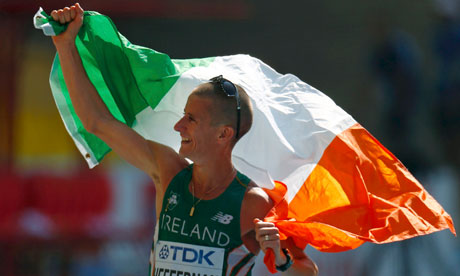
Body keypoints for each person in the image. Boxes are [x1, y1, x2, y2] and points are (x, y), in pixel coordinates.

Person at [50, 3, 318, 275]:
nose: (179, 126)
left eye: (191, 119)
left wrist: (280, 258)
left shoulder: (253, 202)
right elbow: (97, 123)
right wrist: (65, 45)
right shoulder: (167, 170)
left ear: (223, 134)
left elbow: (307, 270)